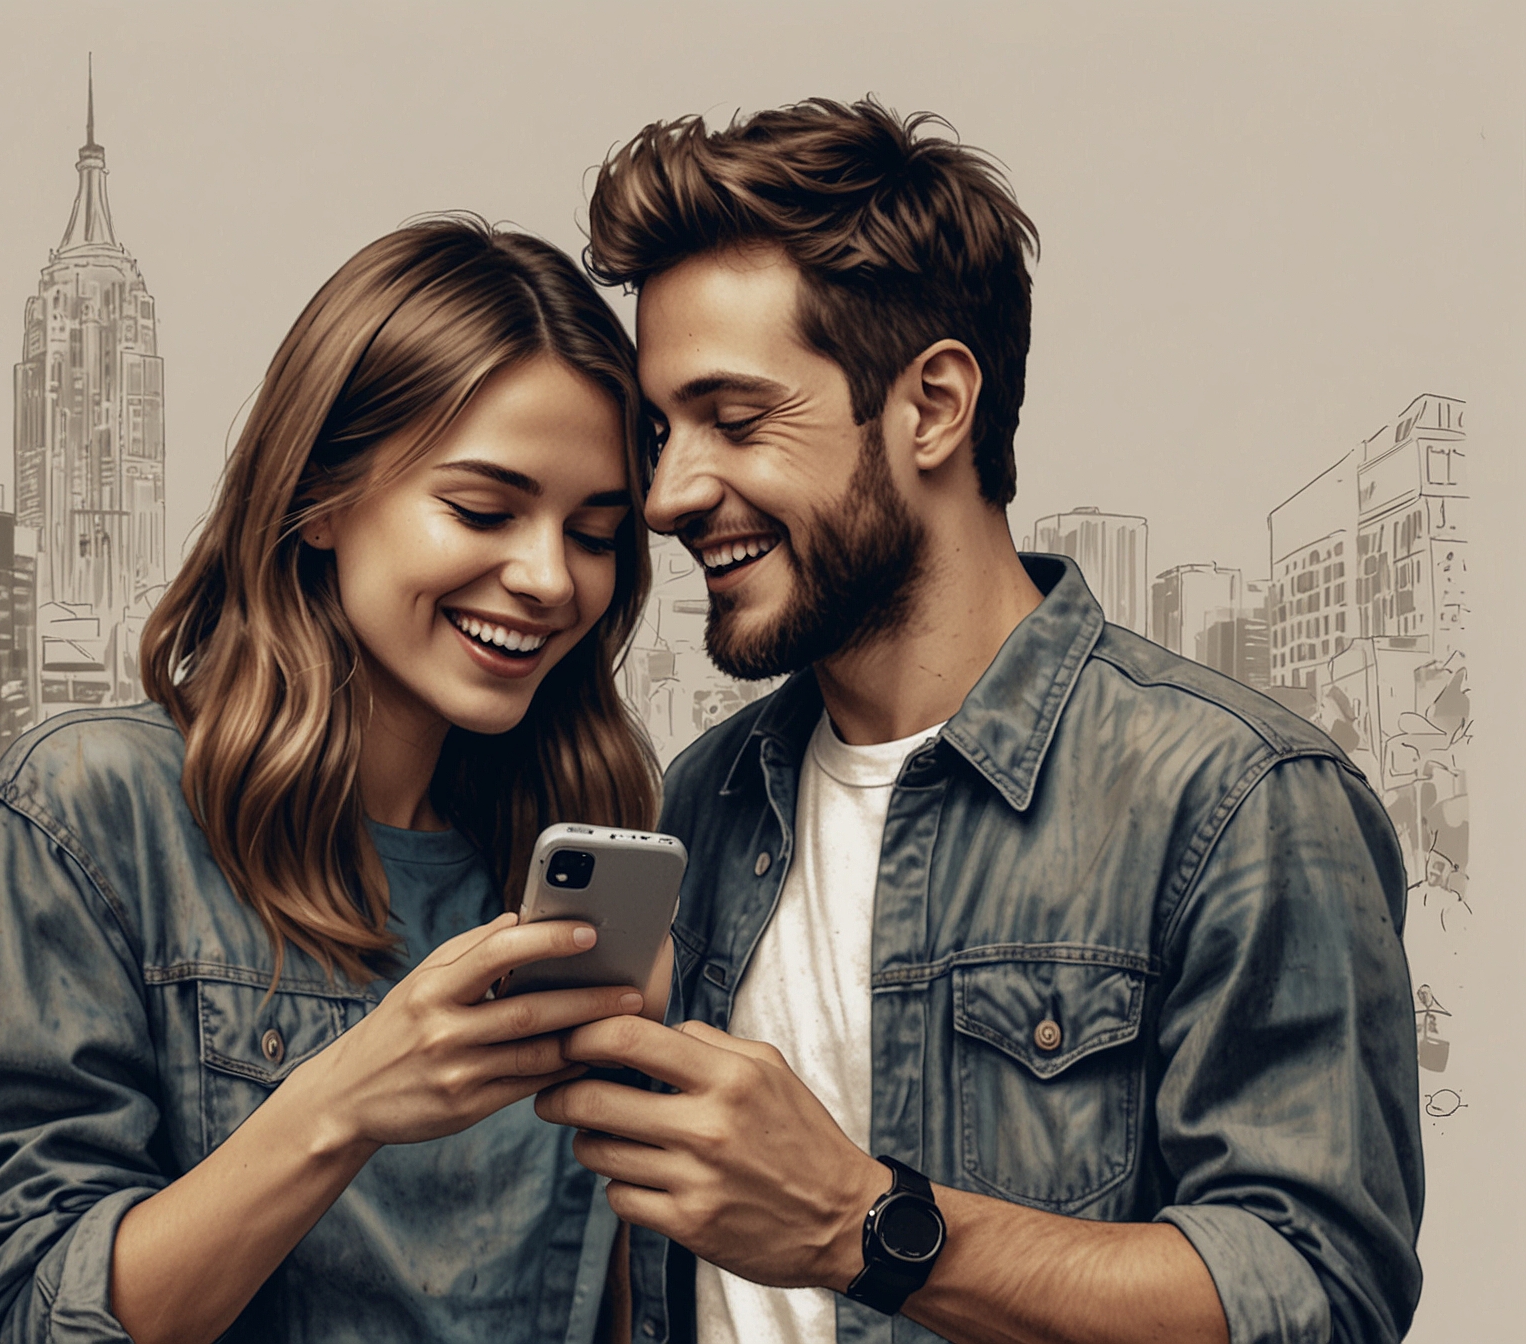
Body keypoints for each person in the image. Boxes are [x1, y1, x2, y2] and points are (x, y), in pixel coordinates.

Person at [536, 101, 1424, 1344]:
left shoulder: (1234, 800)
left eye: (734, 421)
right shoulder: (701, 800)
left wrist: (861, 1223)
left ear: (933, 406)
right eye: (660, 431)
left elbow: (1316, 1296)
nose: (670, 494)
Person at [0, 216, 666, 1344]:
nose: (549, 578)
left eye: (594, 532)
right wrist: (342, 1102)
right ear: (320, 500)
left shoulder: (578, 864)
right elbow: (39, 1315)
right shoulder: (87, 813)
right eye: (483, 510)